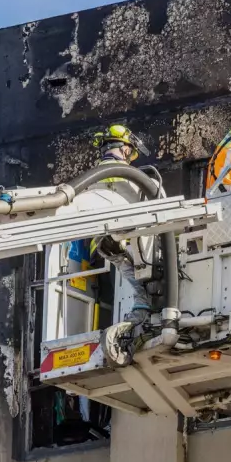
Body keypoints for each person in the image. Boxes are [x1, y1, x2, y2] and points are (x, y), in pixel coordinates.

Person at [87, 124, 153, 325]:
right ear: (125, 148)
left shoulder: (92, 176)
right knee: (142, 280)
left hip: (103, 245)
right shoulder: (127, 174)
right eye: (130, 151)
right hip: (125, 240)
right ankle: (143, 307)